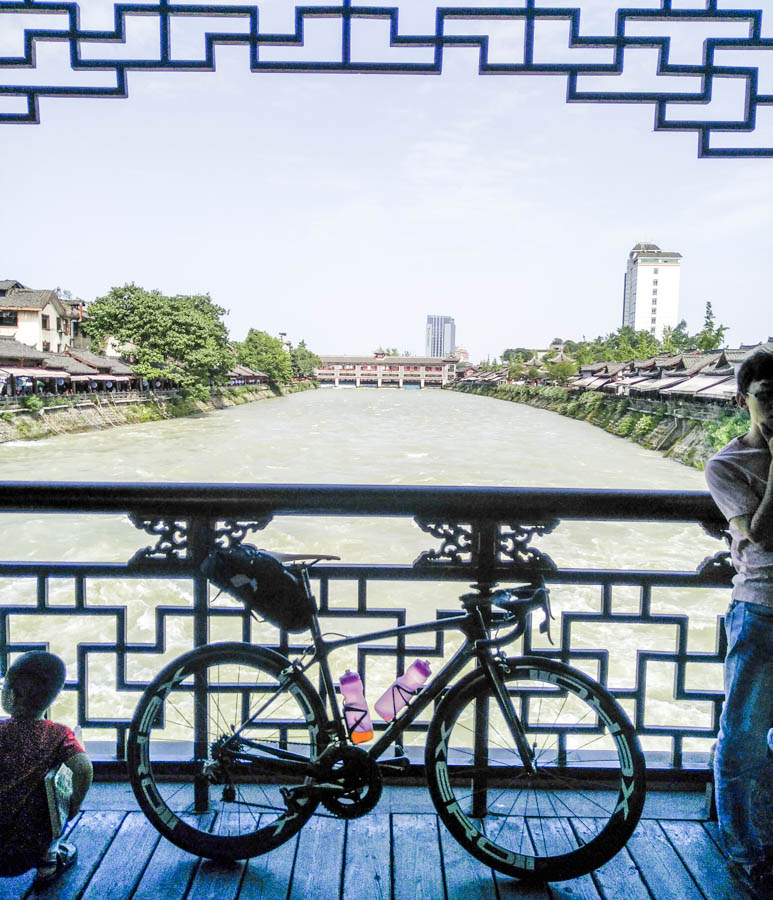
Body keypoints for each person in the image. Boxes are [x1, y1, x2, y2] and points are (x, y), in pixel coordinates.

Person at [705, 347, 773, 897]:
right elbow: (762, 534)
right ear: (742, 401)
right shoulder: (727, 466)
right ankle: (745, 849)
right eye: (766, 398)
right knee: (743, 737)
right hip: (762, 610)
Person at [0, 651, 93, 886]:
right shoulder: (58, 735)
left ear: (9, 696)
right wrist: (72, 806)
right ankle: (48, 863)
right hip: (31, 846)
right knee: (48, 800)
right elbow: (83, 768)